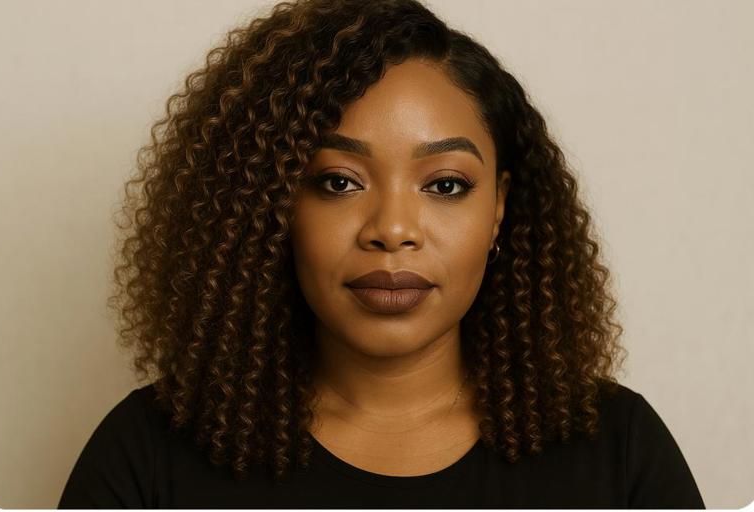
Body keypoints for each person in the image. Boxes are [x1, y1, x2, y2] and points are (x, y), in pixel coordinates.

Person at [57, 0, 705, 508]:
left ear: (499, 208)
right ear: (272, 207)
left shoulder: (619, 450)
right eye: (339, 182)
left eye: (445, 185)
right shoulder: (146, 456)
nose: (393, 230)